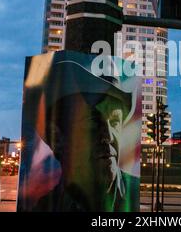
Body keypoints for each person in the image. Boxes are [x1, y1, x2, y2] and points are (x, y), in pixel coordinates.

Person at [18, 52, 139, 212]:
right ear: (57, 138)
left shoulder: (134, 194)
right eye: (93, 122)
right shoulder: (43, 208)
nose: (108, 136)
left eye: (114, 122)